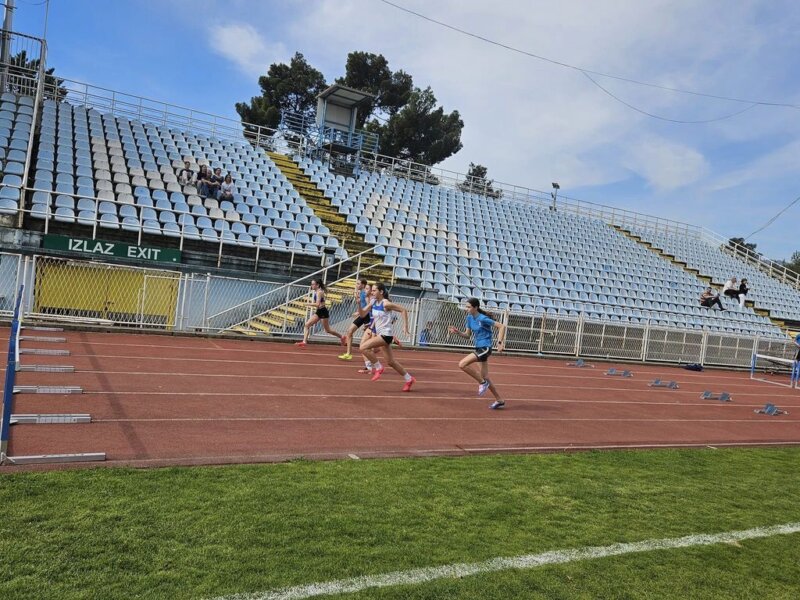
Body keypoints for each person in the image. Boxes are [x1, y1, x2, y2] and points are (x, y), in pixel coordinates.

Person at [448, 297, 507, 409]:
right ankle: (499, 400)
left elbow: (501, 326)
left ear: (475, 307)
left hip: (485, 348)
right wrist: (457, 332)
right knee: (485, 376)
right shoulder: (469, 318)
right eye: (466, 307)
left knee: (462, 364)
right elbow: (467, 335)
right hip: (479, 348)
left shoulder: (483, 318)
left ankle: (482, 383)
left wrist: (499, 342)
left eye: (469, 307)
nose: (467, 309)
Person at [357, 282, 415, 391]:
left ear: (381, 292)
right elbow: (362, 314)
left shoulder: (386, 304)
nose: (372, 292)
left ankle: (378, 367)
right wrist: (359, 304)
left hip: (386, 335)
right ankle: (409, 379)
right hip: (381, 335)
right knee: (391, 362)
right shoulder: (373, 302)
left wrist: (405, 327)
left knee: (363, 347)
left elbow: (403, 310)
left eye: (374, 290)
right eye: (372, 290)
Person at [295, 278, 345, 348]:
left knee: (328, 330)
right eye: (311, 284)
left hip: (323, 312)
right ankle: (304, 342)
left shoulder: (319, 292)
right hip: (319, 311)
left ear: (317, 285)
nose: (311, 286)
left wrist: (307, 304)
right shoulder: (317, 291)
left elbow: (317, 304)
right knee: (307, 325)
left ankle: (342, 337)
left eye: (313, 284)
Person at [338, 278, 371, 362]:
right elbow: (361, 304)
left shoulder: (366, 294)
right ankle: (348, 354)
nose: (356, 285)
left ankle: (390, 340)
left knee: (370, 338)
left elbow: (369, 307)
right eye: (356, 283)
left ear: (363, 285)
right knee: (349, 332)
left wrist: (359, 313)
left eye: (358, 284)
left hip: (367, 316)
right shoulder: (360, 293)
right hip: (362, 315)